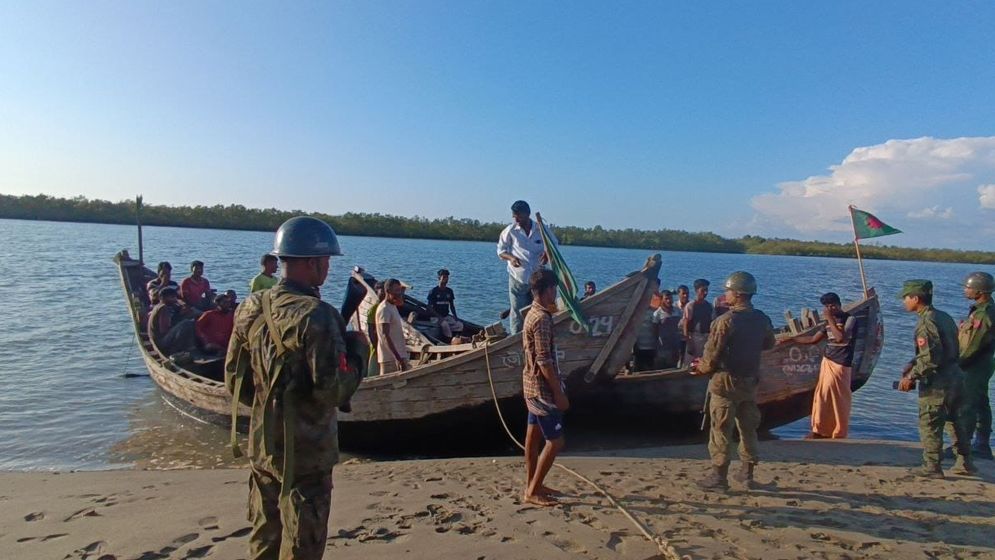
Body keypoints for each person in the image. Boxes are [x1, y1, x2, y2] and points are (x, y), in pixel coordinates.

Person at [224, 215, 364, 560]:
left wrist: (272, 406)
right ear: (314, 263)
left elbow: (234, 381)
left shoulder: (250, 307)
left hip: (263, 447)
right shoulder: (318, 316)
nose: (328, 268)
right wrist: (360, 351)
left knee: (263, 539)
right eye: (327, 261)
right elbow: (334, 392)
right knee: (303, 545)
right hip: (307, 457)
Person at [693, 272, 776, 491]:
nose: (725, 294)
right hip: (749, 382)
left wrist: (698, 368)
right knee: (748, 428)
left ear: (738, 294)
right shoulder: (761, 319)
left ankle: (719, 478)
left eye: (728, 291)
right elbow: (769, 343)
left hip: (725, 383)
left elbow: (710, 360)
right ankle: (747, 475)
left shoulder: (724, 322)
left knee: (721, 429)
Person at [895, 280, 976, 478]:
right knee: (956, 420)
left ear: (916, 298)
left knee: (930, 422)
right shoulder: (943, 316)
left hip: (938, 382)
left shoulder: (926, 323)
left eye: (906, 298)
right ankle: (965, 461)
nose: (904, 302)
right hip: (956, 376)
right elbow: (945, 348)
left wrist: (910, 377)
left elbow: (931, 359)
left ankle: (932, 467)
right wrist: (913, 361)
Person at [522, 268, 569, 507]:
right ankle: (532, 490)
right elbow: (544, 361)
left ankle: (533, 483)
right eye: (554, 289)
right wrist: (558, 394)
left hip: (530, 386)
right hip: (541, 391)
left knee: (533, 436)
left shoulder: (532, 313)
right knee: (556, 441)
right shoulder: (541, 319)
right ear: (546, 289)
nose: (555, 294)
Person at [792, 292, 858, 439]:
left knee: (838, 398)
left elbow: (841, 338)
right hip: (828, 360)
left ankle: (837, 431)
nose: (830, 309)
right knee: (822, 395)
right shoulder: (829, 322)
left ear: (838, 304)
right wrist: (792, 340)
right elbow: (813, 339)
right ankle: (819, 429)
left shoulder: (850, 319)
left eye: (832, 305)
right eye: (827, 306)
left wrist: (829, 319)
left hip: (841, 363)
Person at [497, 200, 556, 334]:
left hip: (539, 278)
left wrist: (548, 253)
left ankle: (545, 334)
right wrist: (511, 258)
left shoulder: (541, 229)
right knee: (518, 313)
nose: (516, 219)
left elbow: (554, 245)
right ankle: (517, 341)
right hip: (518, 279)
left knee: (546, 308)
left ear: (527, 214)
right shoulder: (510, 231)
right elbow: (500, 251)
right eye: (514, 216)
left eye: (519, 215)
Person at [957, 272, 995, 460]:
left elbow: (974, 344)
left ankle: (964, 446)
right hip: (982, 363)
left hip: (975, 365)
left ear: (980, 291)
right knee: (980, 401)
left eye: (968, 287)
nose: (966, 290)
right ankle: (981, 443)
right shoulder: (982, 310)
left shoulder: (983, 314)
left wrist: (958, 364)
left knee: (968, 404)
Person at [147, 286, 197, 356]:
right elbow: (164, 330)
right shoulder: (164, 308)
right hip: (161, 341)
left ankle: (188, 347)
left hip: (159, 339)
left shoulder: (159, 306)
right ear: (164, 298)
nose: (175, 299)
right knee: (187, 323)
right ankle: (184, 349)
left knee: (188, 319)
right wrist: (179, 321)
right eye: (172, 297)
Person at [377, 278, 411, 374]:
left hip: (399, 356)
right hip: (390, 359)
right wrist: (397, 358)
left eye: (399, 290)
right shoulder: (384, 309)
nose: (399, 293)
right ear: (388, 291)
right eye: (396, 290)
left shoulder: (392, 306)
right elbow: (385, 335)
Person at [427, 268, 464, 341]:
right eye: (444, 277)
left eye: (447, 277)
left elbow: (452, 306)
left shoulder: (449, 291)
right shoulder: (433, 291)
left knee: (460, 325)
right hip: (435, 317)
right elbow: (429, 307)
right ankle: (448, 341)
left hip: (446, 316)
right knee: (445, 325)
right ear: (439, 278)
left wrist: (455, 317)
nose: (446, 279)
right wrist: (439, 317)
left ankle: (456, 339)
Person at [683, 279, 713, 362]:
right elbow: (686, 324)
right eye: (703, 290)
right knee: (691, 364)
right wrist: (689, 342)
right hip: (694, 338)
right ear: (696, 290)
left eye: (706, 290)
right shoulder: (691, 306)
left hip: (707, 338)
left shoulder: (709, 306)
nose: (705, 293)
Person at [654, 290, 683, 368]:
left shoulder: (678, 311)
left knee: (674, 366)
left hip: (675, 345)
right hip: (662, 346)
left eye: (670, 298)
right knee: (661, 367)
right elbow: (654, 331)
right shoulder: (657, 313)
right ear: (662, 299)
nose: (669, 301)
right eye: (666, 298)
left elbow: (682, 325)